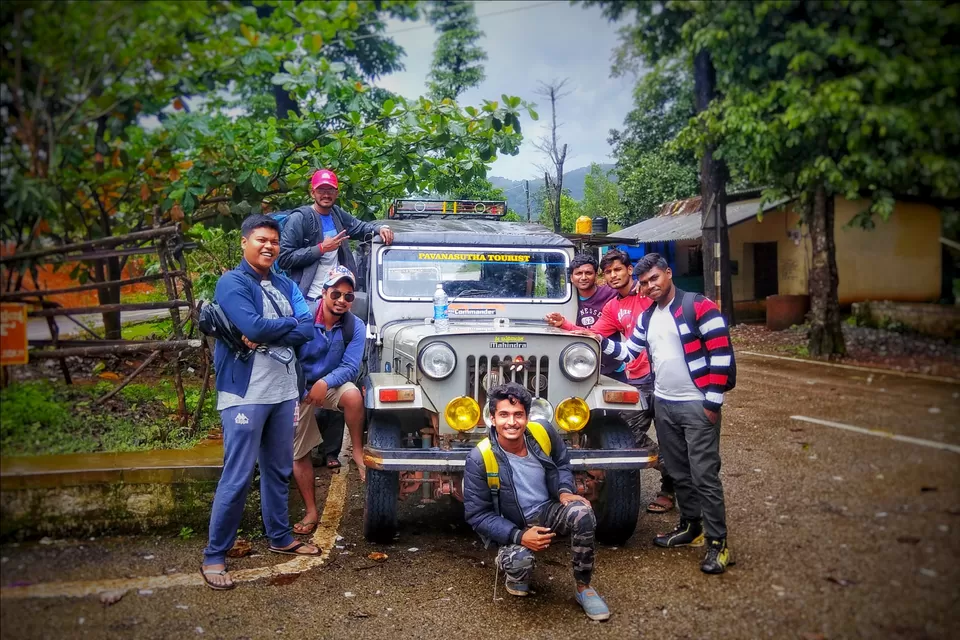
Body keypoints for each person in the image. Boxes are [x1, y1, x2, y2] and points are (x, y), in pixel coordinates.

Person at [201, 214, 321, 591]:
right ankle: (214, 556)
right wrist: (284, 328)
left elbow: (309, 328)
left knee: (277, 470)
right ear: (244, 242)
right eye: (261, 240)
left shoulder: (285, 283)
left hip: (284, 391)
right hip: (246, 394)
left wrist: (272, 331)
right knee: (237, 476)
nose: (269, 246)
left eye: (274, 241)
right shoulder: (232, 282)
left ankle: (280, 537)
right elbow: (251, 328)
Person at [600, 253, 737, 574]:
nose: (650, 287)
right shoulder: (648, 316)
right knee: (677, 471)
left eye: (655, 280)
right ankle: (692, 527)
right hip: (664, 402)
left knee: (704, 474)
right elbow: (628, 352)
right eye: (645, 283)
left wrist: (712, 402)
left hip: (697, 403)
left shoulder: (699, 306)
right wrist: (595, 338)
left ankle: (718, 543)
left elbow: (721, 354)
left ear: (668, 274)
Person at [463, 383, 611, 622]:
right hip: (513, 523)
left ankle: (584, 587)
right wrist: (519, 536)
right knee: (520, 561)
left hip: (547, 510)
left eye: (518, 414)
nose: (511, 422)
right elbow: (477, 515)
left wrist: (564, 491)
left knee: (582, 512)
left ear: (527, 417)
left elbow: (562, 462)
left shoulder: (542, 431)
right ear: (492, 419)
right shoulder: (479, 458)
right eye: (503, 415)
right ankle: (514, 571)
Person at [545, 248, 676, 514]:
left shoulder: (648, 293)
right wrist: (566, 326)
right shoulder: (614, 305)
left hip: (666, 378)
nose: (613, 276)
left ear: (630, 270)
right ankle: (677, 474)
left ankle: (671, 489)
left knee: (671, 435)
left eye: (618, 269)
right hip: (637, 377)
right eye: (608, 272)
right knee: (632, 438)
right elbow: (595, 335)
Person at [291, 266, 366, 535]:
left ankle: (357, 449)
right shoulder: (302, 317)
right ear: (323, 293)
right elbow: (288, 356)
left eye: (348, 297)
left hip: (329, 383)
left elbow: (350, 367)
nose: (341, 301)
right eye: (336, 293)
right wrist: (305, 390)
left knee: (354, 395)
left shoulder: (354, 326)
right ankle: (311, 510)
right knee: (299, 453)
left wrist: (325, 383)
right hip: (298, 388)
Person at [277, 168, 395, 303]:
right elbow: (284, 259)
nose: (326, 195)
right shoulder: (299, 219)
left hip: (337, 298)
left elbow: (359, 227)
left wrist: (380, 228)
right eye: (321, 190)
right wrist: (321, 248)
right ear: (312, 193)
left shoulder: (336, 214)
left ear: (336, 193)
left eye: (330, 190)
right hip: (309, 298)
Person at [544, 253, 622, 378]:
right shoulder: (565, 299)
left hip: (611, 368)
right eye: (579, 273)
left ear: (596, 276)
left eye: (588, 273)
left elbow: (629, 289)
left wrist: (637, 286)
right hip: (576, 366)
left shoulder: (611, 293)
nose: (584, 277)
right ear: (571, 277)